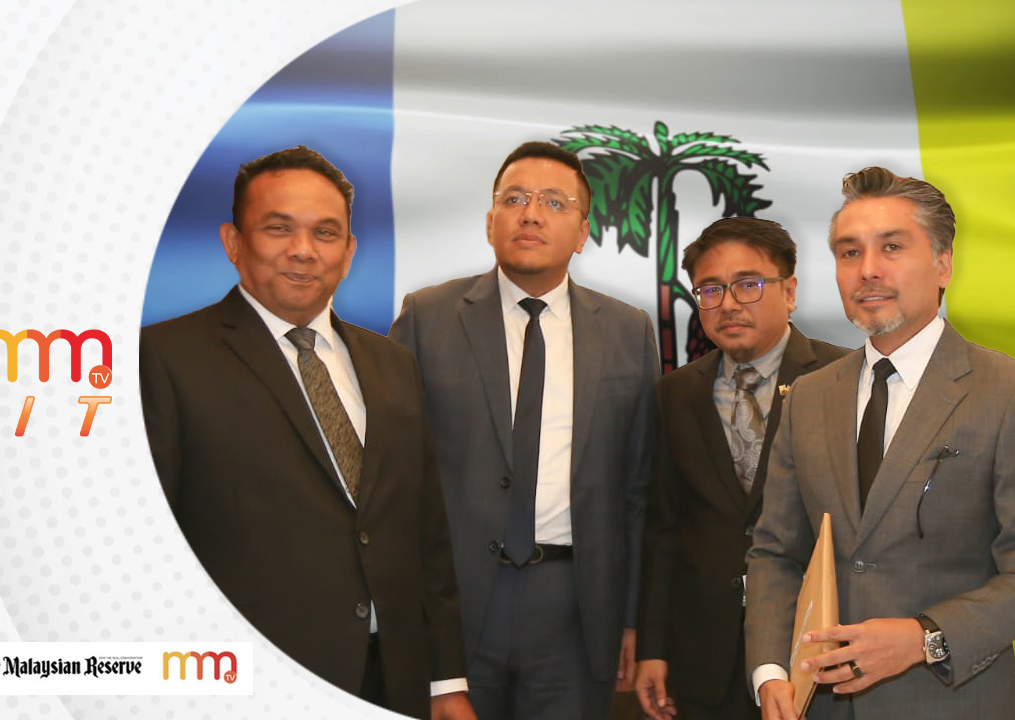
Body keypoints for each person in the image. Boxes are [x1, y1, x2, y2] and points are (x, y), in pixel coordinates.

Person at [139, 146, 474, 720]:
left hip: (393, 679)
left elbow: (426, 534)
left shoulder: (393, 364)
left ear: (349, 252)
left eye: (325, 232)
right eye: (278, 228)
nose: (303, 249)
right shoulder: (163, 358)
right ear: (233, 242)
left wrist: (445, 681)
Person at [389, 141, 658, 719]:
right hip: (454, 602)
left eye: (554, 202)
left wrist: (632, 617)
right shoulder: (427, 318)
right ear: (491, 221)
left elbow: (638, 491)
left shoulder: (628, 331)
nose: (531, 214)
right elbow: (395, 478)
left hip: (577, 607)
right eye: (515, 199)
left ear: (583, 232)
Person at [746, 167, 1015, 720]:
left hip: (953, 702)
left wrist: (924, 638)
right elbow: (776, 551)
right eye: (849, 252)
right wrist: (770, 671)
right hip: (815, 703)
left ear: (943, 264)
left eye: (891, 247)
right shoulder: (809, 396)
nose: (867, 269)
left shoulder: (1002, 390)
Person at [633, 218, 847, 720]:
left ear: (789, 291)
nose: (728, 304)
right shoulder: (675, 393)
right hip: (703, 652)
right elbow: (663, 528)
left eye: (748, 284)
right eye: (710, 290)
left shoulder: (842, 378)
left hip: (813, 644)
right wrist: (652, 647)